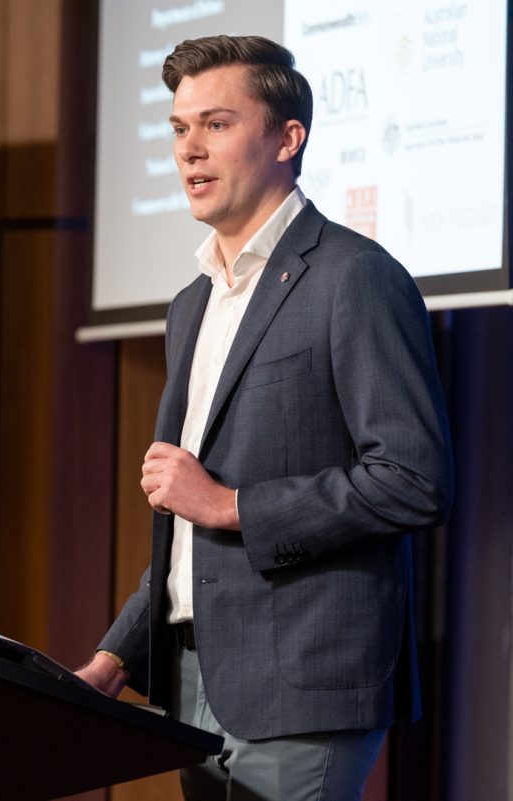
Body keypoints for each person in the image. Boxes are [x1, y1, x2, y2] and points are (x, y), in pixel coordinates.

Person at [75, 35, 453, 800]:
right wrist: (114, 657)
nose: (189, 151)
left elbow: (413, 479)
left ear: (289, 138)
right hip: (192, 673)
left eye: (215, 124)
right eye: (179, 130)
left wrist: (232, 504)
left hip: (303, 676)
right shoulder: (193, 304)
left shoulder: (353, 277)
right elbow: (190, 527)